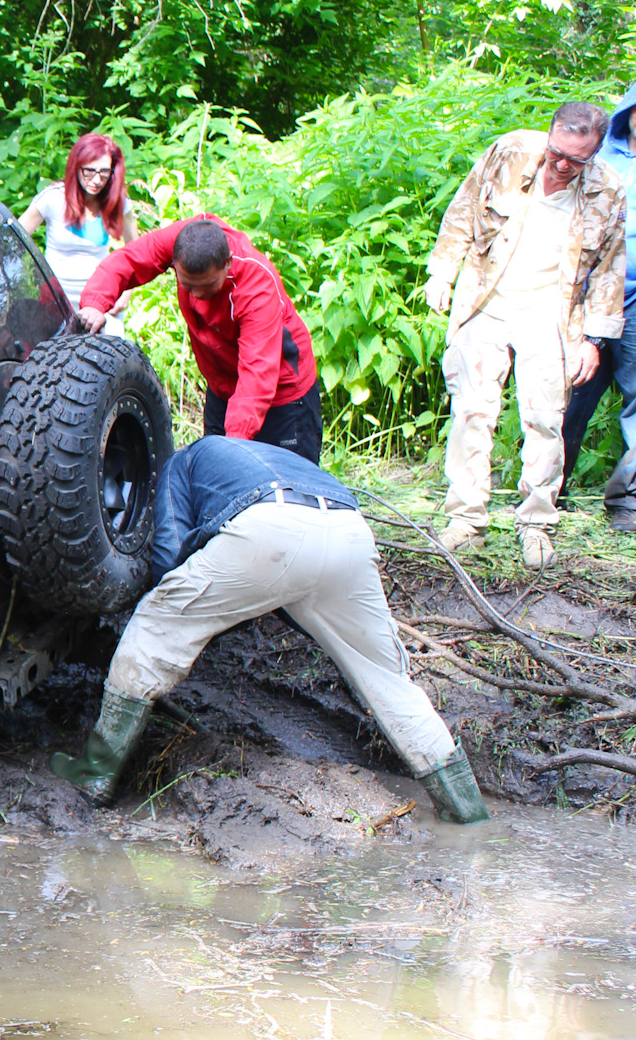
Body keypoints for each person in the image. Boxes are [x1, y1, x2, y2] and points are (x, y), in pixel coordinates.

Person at [51, 435, 488, 825]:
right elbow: (295, 585)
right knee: (389, 682)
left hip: (268, 524)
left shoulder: (181, 461)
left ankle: (95, 773)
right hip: (350, 531)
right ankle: (467, 813)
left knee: (154, 625)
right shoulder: (268, 456)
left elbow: (169, 555)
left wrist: (184, 618)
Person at [424, 102, 626, 568]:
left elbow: (610, 268)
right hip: (486, 299)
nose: (562, 165)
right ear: (549, 135)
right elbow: (462, 209)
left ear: (594, 154)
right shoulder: (511, 151)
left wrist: (595, 341)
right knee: (473, 411)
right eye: (557, 152)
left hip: (552, 315)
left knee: (545, 419)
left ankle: (536, 523)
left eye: (577, 160)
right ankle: (466, 519)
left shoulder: (607, 189)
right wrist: (442, 272)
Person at [76, 215, 323, 462]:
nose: (198, 296)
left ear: (227, 263)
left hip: (283, 394)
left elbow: (257, 375)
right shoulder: (183, 239)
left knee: (287, 485)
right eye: (189, 286)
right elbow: (130, 259)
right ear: (174, 261)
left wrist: (234, 441)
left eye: (208, 287)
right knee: (217, 477)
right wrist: (95, 303)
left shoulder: (256, 287)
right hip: (223, 387)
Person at [560, 84, 636, 532]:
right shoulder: (595, 154)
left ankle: (626, 502)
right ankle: (548, 491)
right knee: (566, 399)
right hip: (582, 298)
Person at [17, 134, 139, 333]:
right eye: (89, 171)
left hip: (101, 299)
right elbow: (15, 238)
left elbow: (135, 251)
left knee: (110, 356)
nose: (97, 180)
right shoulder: (53, 198)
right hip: (55, 301)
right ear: (76, 166)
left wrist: (127, 292)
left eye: (104, 172)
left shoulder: (117, 202)